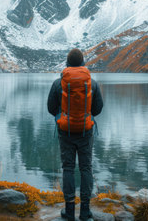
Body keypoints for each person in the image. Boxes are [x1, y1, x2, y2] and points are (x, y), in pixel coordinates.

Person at [47, 48, 103, 221]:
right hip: (86, 131)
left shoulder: (59, 83)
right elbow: (98, 109)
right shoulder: (92, 83)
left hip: (66, 131)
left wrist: (61, 116)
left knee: (68, 168)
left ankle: (69, 211)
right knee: (86, 168)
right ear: (83, 63)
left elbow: (50, 108)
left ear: (67, 63)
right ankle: (85, 211)